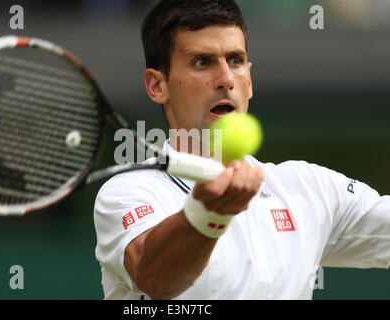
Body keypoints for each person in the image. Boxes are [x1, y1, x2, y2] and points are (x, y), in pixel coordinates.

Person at [94, 0, 390, 300]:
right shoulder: (128, 192)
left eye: (235, 61)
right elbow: (155, 279)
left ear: (249, 79)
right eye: (202, 62)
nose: (225, 80)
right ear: (157, 85)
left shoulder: (311, 188)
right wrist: (209, 212)